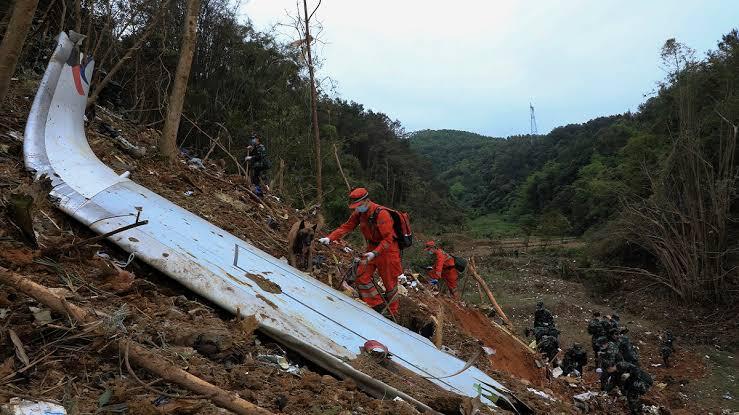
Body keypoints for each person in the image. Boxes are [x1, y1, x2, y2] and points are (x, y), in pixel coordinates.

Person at [318, 188, 402, 317]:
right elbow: (346, 227)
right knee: (361, 275)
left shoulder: (382, 214)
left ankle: (393, 313)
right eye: (355, 206)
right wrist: (330, 238)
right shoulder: (359, 213)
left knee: (389, 283)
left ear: (367, 201)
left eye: (359, 205)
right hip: (371, 248)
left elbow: (389, 238)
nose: (357, 208)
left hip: (388, 251)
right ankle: (377, 305)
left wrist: (375, 253)